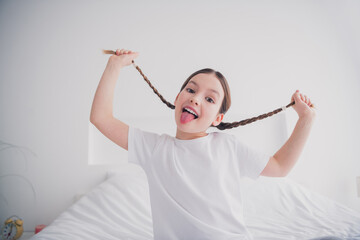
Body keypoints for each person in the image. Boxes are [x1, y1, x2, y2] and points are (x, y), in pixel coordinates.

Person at [90, 48, 316, 240]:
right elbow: (101, 117)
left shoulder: (228, 146)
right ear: (178, 98)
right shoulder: (153, 148)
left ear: (218, 119)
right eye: (190, 89)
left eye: (209, 99)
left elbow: (279, 166)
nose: (195, 98)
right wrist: (114, 65)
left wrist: (306, 119)